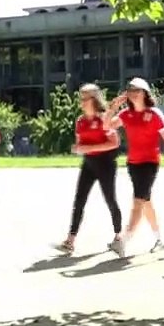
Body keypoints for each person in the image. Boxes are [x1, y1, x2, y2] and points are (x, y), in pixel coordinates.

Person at [105, 77, 164, 255]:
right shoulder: (125, 114)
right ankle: (159, 239)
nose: (133, 94)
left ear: (145, 93)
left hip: (150, 163)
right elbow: (106, 126)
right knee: (145, 201)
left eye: (137, 90)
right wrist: (113, 107)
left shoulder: (156, 114)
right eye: (130, 90)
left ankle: (123, 240)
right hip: (133, 164)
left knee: (138, 202)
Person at [55, 84, 124, 256]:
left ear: (94, 99)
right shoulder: (80, 121)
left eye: (85, 98)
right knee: (79, 201)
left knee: (110, 200)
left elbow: (114, 143)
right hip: (89, 164)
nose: (82, 102)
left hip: (106, 164)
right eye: (81, 98)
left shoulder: (103, 119)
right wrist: (78, 148)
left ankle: (118, 237)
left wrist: (89, 148)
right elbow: (81, 143)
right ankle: (70, 241)